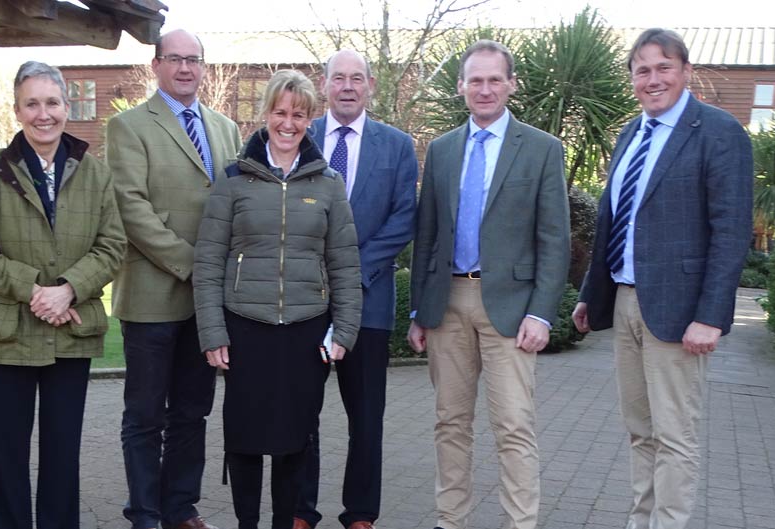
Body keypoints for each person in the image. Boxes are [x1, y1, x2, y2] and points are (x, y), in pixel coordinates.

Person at [572, 28, 753, 529]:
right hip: (627, 302)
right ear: (632, 78)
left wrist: (710, 317)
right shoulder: (631, 133)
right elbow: (614, 220)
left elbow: (731, 229)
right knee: (639, 430)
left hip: (679, 313)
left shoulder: (718, 132)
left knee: (675, 435)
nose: (653, 80)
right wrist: (593, 294)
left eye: (663, 67)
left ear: (686, 71)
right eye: (642, 70)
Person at [406, 40, 571, 529]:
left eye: (494, 79)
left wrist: (542, 313)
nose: (484, 89)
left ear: (511, 84)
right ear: (461, 87)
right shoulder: (440, 150)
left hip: (512, 309)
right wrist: (419, 309)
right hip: (447, 303)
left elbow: (554, 239)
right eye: (475, 80)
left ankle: (520, 523)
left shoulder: (542, 149)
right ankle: (449, 520)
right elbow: (428, 234)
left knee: (514, 427)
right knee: (450, 424)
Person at [0, 60, 126, 529]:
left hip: (70, 334)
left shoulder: (96, 174)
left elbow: (113, 245)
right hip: (6, 337)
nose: (43, 113)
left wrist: (69, 289)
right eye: (32, 103)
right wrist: (34, 290)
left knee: (61, 454)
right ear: (16, 111)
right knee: (6, 456)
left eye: (52, 102)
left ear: (67, 108)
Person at [193, 69, 362, 529]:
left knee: (295, 442)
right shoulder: (232, 181)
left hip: (307, 331)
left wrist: (343, 331)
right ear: (267, 114)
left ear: (311, 119)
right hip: (245, 328)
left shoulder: (328, 185)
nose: (289, 123)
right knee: (246, 441)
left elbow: (345, 264)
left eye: (300, 115)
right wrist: (212, 332)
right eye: (281, 112)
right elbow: (208, 263)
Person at [106, 29, 242, 529]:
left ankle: (180, 509)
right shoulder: (129, 127)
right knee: (144, 418)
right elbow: (132, 208)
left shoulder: (226, 129)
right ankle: (144, 513)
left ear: (204, 67)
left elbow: (236, 204)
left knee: (192, 412)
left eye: (194, 60)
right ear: (157, 65)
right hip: (151, 297)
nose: (185, 68)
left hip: (205, 305)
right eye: (175, 59)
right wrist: (193, 264)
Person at [294, 49, 418, 529]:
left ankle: (361, 513)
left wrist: (352, 270)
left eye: (357, 78)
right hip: (305, 298)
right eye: (338, 78)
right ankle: (301, 509)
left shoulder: (397, 145)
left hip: (369, 299)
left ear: (370, 86)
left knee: (366, 417)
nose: (348, 86)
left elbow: (404, 216)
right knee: (302, 411)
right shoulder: (299, 137)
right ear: (323, 85)